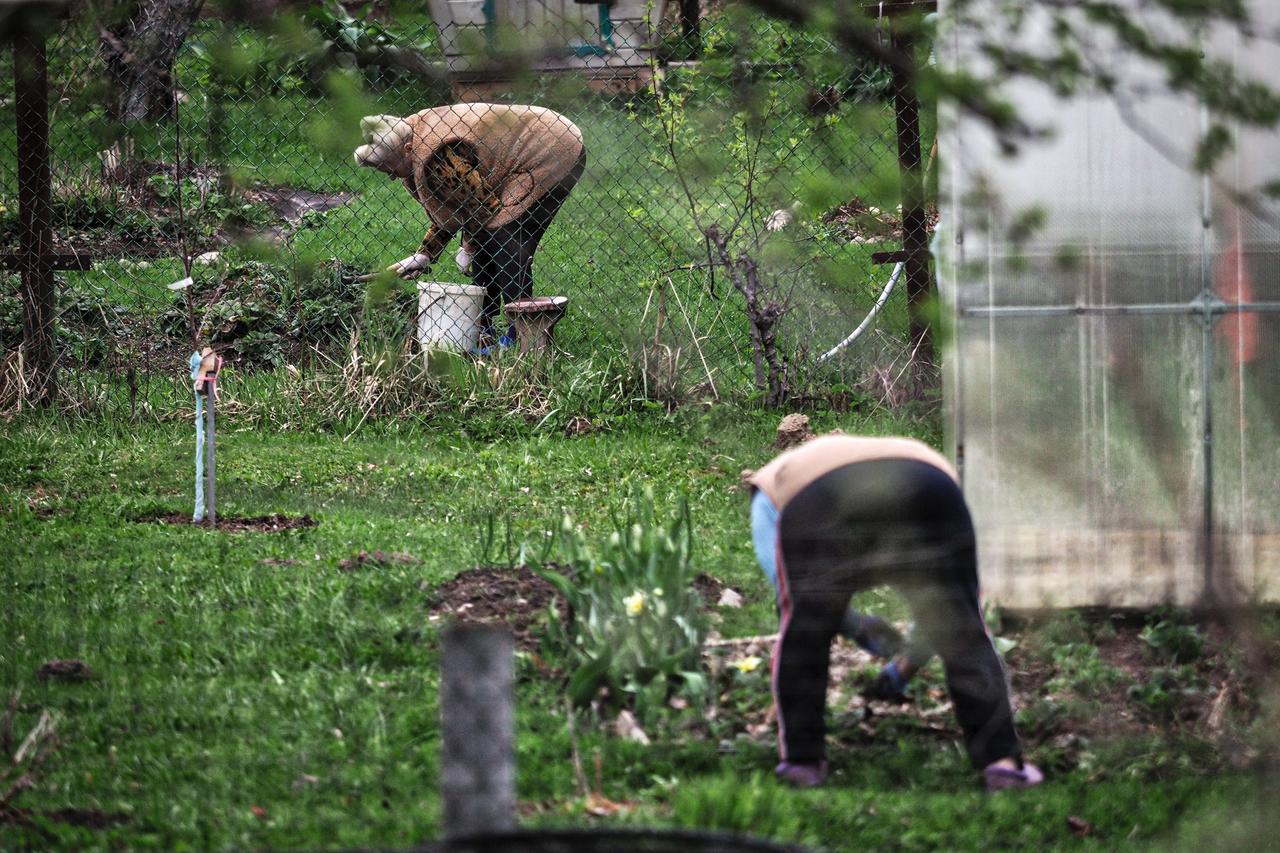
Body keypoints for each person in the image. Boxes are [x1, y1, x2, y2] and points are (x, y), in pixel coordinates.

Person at [747, 434, 1042, 792]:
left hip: (822, 495)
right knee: (961, 626)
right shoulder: (904, 458)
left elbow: (794, 602)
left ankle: (802, 763)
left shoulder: (767, 497)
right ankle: (1003, 764)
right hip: (928, 481)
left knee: (805, 630)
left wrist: (866, 638)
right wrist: (883, 649)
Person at [354, 103, 586, 348]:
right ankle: (482, 324)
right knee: (491, 234)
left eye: (389, 167)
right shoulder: (407, 137)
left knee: (506, 236)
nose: (391, 176)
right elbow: (458, 205)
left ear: (408, 149)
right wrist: (425, 254)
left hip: (549, 148)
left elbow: (482, 205)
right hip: (531, 147)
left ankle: (521, 332)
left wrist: (468, 248)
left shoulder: (438, 155)